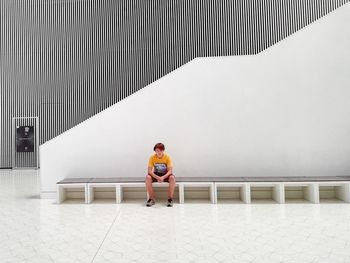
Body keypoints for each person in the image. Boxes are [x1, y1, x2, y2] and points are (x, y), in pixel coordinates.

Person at [145, 143, 176, 207]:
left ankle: (170, 199)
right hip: (156, 174)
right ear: (155, 151)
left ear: (163, 150)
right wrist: (157, 177)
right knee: (148, 177)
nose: (159, 152)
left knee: (172, 178)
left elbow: (170, 171)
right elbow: (149, 171)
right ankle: (151, 199)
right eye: (157, 151)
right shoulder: (152, 157)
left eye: (161, 150)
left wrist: (163, 177)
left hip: (165, 174)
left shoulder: (167, 157)